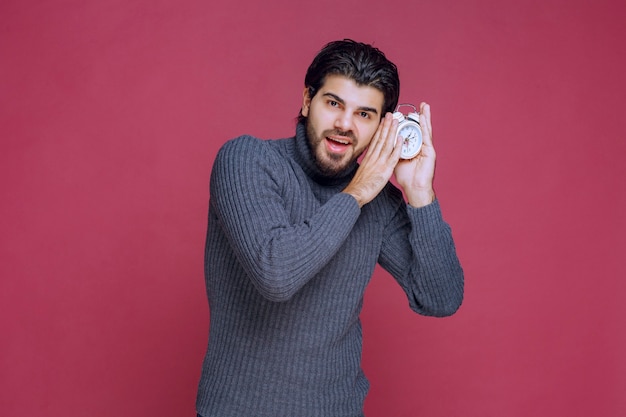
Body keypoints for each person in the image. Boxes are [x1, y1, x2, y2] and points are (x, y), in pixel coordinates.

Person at [196, 39, 464, 417]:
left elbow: (441, 298)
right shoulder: (246, 160)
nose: (344, 124)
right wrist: (355, 195)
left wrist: (420, 193)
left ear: (383, 127)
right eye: (334, 103)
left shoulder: (379, 199)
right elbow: (276, 274)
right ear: (308, 100)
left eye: (365, 114)